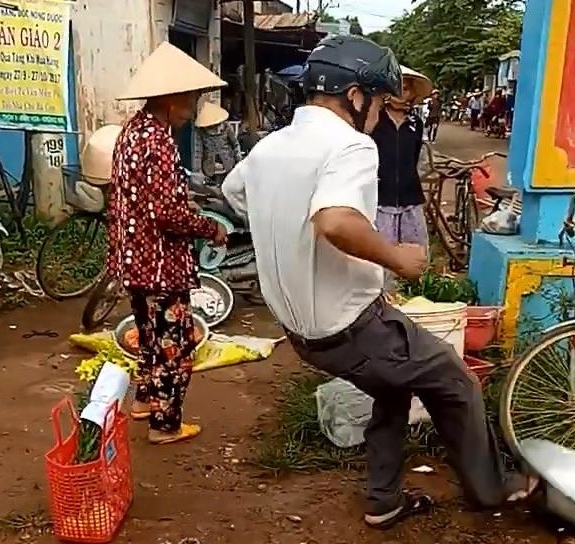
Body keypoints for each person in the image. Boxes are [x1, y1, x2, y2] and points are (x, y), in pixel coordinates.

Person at [221, 35, 534, 530]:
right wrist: (397, 259)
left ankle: (383, 499)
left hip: (302, 334)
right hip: (351, 328)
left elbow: (233, 191)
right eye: (381, 99)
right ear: (356, 96)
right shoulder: (351, 144)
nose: (380, 112)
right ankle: (494, 487)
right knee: (454, 381)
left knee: (394, 386)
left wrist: (282, 224)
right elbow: (335, 221)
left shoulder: (271, 146)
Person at [108, 42, 228, 444]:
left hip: (133, 259)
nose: (194, 109)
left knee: (148, 335)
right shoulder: (159, 143)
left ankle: (143, 401)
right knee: (173, 346)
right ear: (173, 98)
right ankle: (166, 424)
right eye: (192, 99)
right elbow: (168, 215)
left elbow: (144, 199)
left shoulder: (131, 132)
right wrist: (210, 228)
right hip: (160, 263)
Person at [372, 65, 431, 290]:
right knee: (381, 256)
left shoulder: (416, 124)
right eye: (397, 88)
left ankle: (412, 295)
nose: (401, 93)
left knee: (415, 251)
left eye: (405, 89)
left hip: (410, 197)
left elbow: (416, 160)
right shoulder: (374, 120)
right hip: (380, 197)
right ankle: (381, 297)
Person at [193, 100, 241, 185]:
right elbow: (198, 151)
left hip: (228, 164)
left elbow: (235, 144)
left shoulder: (227, 127)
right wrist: (198, 170)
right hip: (209, 166)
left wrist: (239, 162)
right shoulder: (200, 131)